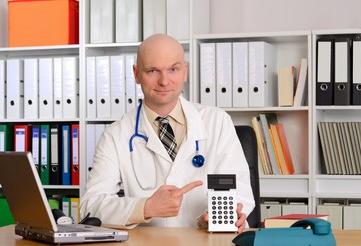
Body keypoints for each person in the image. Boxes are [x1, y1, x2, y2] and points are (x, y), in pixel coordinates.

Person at [80, 34, 255, 233]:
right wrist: (146, 208)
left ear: (185, 71)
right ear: (136, 74)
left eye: (173, 69)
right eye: (152, 71)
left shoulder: (217, 121)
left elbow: (239, 190)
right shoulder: (116, 135)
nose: (164, 81)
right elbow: (90, 206)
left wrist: (222, 216)